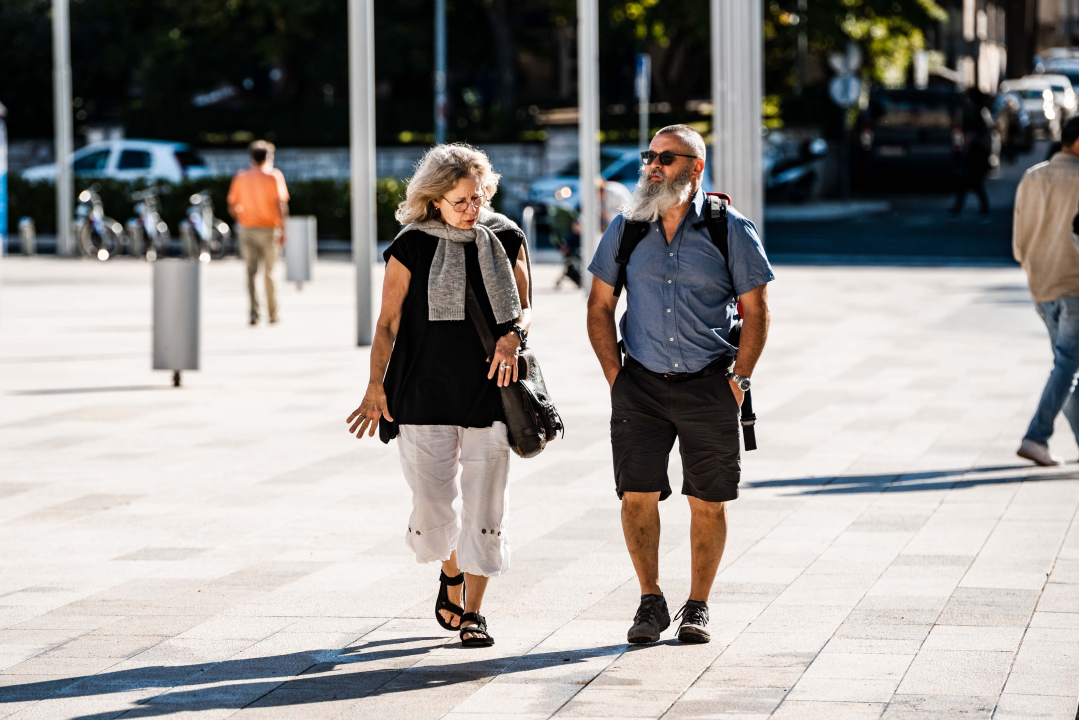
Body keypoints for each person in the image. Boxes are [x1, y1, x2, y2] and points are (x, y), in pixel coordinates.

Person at [586, 125, 773, 644]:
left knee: (708, 500)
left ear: (696, 168)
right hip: (639, 385)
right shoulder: (627, 228)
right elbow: (599, 306)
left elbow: (757, 311)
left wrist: (739, 380)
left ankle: (697, 605)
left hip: (709, 383)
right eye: (650, 155)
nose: (653, 165)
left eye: (666, 158)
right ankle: (650, 600)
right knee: (636, 494)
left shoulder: (729, 228)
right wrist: (614, 377)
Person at [345, 143, 531, 647]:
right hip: (422, 389)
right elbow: (387, 323)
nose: (473, 210)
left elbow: (524, 307)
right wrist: (373, 384)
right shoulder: (411, 245)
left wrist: (513, 335)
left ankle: (473, 611)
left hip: (492, 389)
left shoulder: (506, 236)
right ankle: (450, 571)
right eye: (461, 201)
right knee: (432, 501)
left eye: (478, 198)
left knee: (486, 503)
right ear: (434, 200)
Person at [1013, 116, 1079, 466]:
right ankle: (1036, 436)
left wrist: (1032, 266)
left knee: (1066, 366)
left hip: (1041, 285)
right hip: (1073, 285)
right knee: (1067, 365)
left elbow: (1018, 238)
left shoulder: (1033, 176)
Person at [227, 140, 290, 325]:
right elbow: (281, 205)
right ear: (268, 157)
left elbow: (232, 204)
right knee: (269, 273)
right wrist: (284, 229)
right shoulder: (274, 176)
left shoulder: (241, 176)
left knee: (251, 273)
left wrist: (240, 218)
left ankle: (254, 314)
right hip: (270, 229)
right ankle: (273, 314)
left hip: (247, 229)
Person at [951, 92, 994, 219]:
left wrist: (972, 140)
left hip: (976, 153)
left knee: (972, 182)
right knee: (970, 182)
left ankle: (961, 208)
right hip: (974, 152)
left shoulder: (977, 113)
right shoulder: (977, 112)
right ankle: (960, 208)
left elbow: (984, 132)